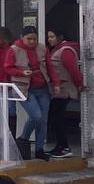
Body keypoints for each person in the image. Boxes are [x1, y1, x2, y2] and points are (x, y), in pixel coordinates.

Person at [6, 26, 57, 160]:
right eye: (29, 39)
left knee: (43, 121)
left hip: (43, 88)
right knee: (36, 116)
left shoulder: (42, 48)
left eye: (34, 39)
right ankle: (23, 138)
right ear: (22, 37)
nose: (32, 42)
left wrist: (56, 83)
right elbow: (8, 68)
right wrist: (21, 72)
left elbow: (50, 66)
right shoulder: (14, 50)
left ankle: (39, 149)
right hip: (24, 88)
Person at [45, 29, 83, 158]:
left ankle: (64, 147)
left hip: (64, 90)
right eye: (48, 37)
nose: (49, 39)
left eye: (52, 36)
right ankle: (60, 146)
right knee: (55, 118)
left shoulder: (65, 50)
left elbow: (73, 70)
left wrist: (79, 85)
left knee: (58, 119)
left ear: (60, 36)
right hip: (57, 91)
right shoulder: (56, 49)